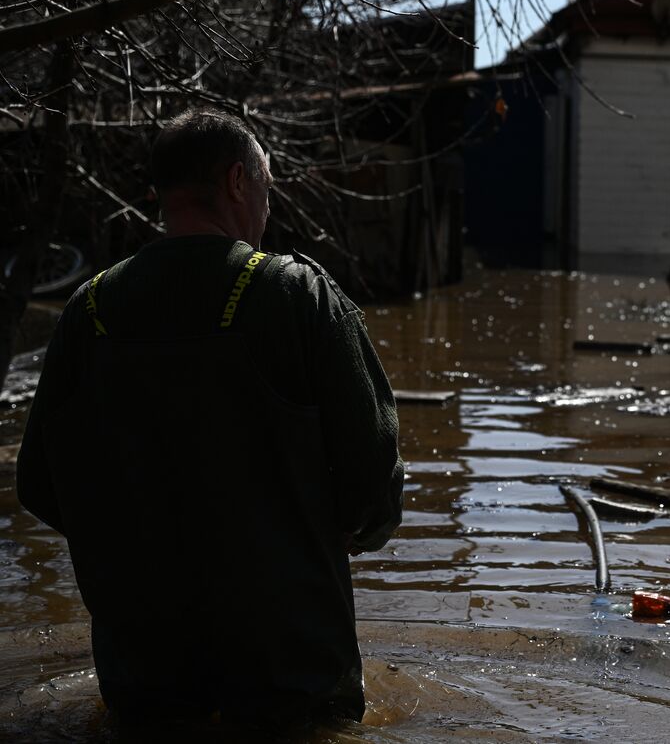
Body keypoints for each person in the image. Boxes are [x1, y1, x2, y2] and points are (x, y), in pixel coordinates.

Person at [16, 108, 404, 728]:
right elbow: (373, 488)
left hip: (143, 679)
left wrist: (131, 542)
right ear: (237, 182)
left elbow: (38, 484)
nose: (268, 208)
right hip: (289, 677)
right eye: (268, 188)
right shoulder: (297, 295)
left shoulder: (87, 310)